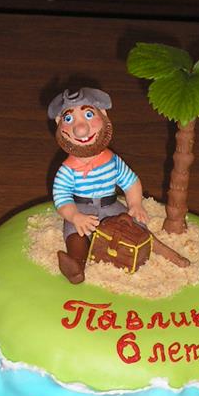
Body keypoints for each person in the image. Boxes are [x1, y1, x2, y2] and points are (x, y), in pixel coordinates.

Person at [48, 87, 149, 284]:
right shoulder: (68, 170)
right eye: (69, 119)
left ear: (103, 115)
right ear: (59, 124)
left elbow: (130, 182)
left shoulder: (112, 161)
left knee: (133, 226)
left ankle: (131, 256)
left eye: (88, 115)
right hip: (81, 207)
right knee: (75, 233)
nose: (80, 128)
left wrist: (135, 204)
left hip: (111, 206)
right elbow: (61, 198)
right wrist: (75, 216)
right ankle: (76, 264)